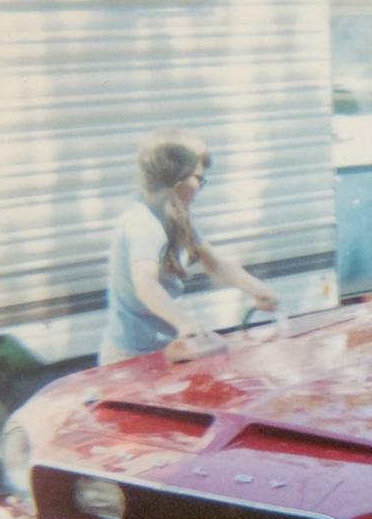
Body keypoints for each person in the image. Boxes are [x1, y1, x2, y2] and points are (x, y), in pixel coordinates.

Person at [99, 129, 277, 365]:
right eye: (197, 178)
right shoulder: (141, 223)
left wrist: (259, 290)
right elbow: (145, 283)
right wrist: (185, 322)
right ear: (175, 177)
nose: (200, 186)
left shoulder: (174, 216)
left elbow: (216, 264)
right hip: (130, 356)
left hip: (161, 348)